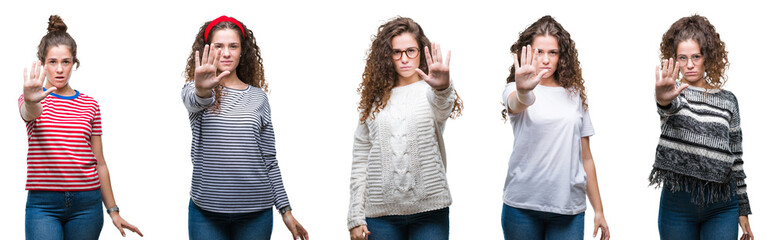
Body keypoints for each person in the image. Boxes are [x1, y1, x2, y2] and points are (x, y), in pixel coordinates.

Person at [181, 15, 307, 240]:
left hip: (256, 213)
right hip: (206, 213)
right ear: (208, 50)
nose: (226, 53)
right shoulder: (195, 90)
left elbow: (269, 159)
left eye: (233, 46)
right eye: (219, 46)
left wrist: (285, 211)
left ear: (242, 51)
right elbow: (196, 100)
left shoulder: (259, 98)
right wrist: (202, 88)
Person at [19, 15, 142, 239]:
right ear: (42, 63)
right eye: (52, 62)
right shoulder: (32, 100)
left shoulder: (90, 105)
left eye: (65, 62)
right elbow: (29, 113)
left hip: (87, 205)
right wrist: (30, 101)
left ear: (74, 63)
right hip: (43, 206)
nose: (59, 69)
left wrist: (113, 211)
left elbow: (100, 162)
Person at [347, 16, 463, 240]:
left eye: (411, 50)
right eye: (396, 52)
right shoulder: (374, 99)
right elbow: (360, 158)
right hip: (380, 215)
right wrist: (355, 215)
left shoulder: (432, 92)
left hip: (430, 212)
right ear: (387, 56)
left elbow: (443, 108)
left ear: (421, 51)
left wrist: (443, 87)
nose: (404, 59)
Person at [500, 15, 609, 240]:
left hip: (568, 209)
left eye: (553, 53)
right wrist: (523, 91)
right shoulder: (515, 88)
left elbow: (586, 157)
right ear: (527, 53)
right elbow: (515, 103)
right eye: (539, 52)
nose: (546, 59)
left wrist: (599, 210)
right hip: (522, 207)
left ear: (562, 57)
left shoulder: (575, 95)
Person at [651, 14, 753, 240]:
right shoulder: (673, 93)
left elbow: (736, 156)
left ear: (707, 56)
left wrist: (743, 208)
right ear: (674, 59)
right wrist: (663, 98)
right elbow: (667, 107)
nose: (689, 65)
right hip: (678, 204)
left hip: (722, 205)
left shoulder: (728, 101)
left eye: (696, 56)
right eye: (682, 57)